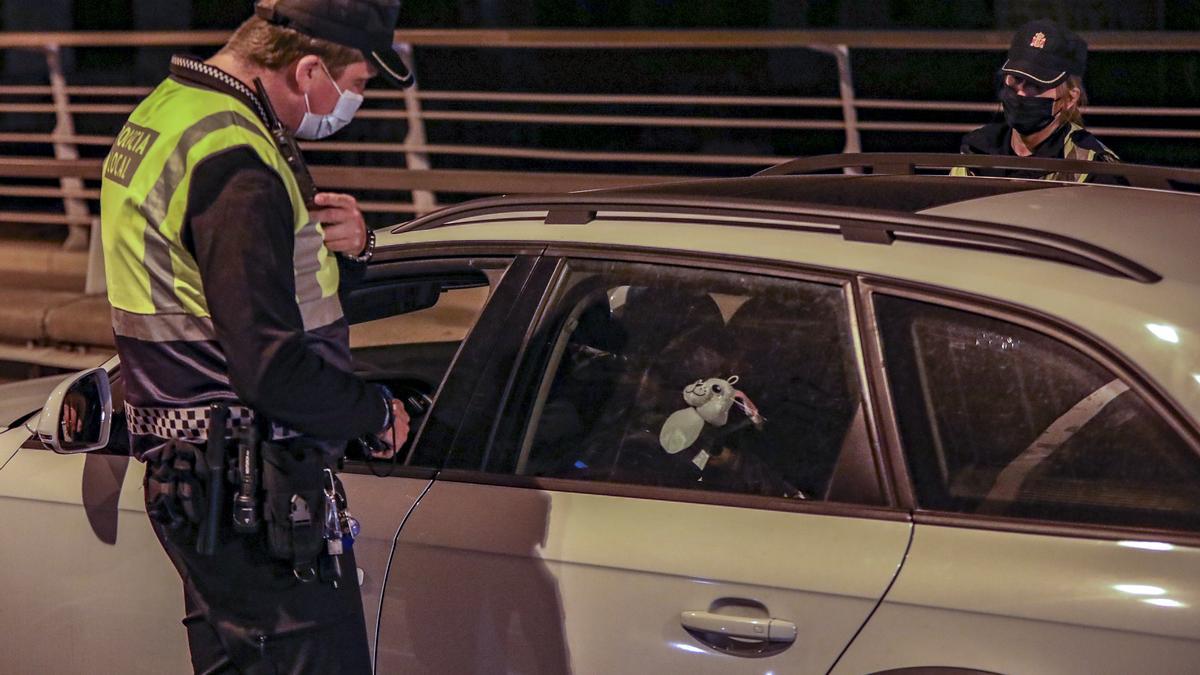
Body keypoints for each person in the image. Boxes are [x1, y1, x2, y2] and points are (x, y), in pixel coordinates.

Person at [99, 1, 414, 672]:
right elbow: (272, 369)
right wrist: (376, 411)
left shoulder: (171, 111)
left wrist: (347, 256)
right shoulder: (237, 160)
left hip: (198, 480)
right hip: (253, 496)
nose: (355, 103)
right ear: (307, 71)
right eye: (358, 84)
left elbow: (219, 290)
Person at [951, 19, 1120, 183]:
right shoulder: (977, 150)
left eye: (1035, 86)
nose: (1021, 93)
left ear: (1069, 99)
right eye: (1016, 79)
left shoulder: (1094, 168)